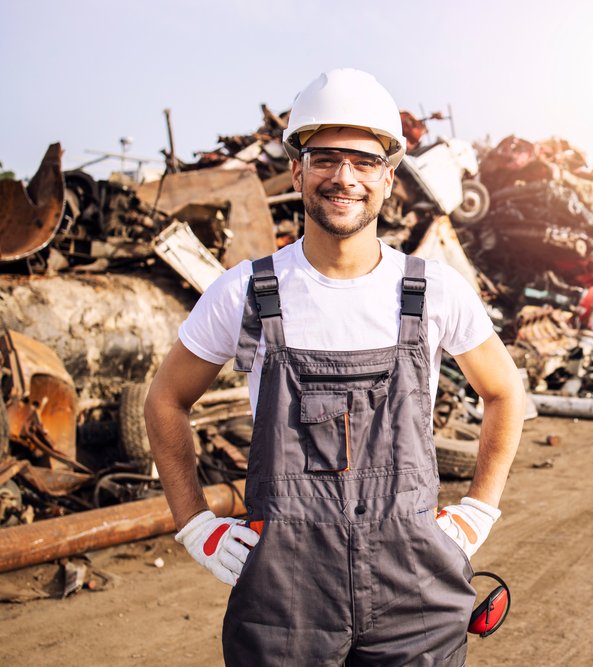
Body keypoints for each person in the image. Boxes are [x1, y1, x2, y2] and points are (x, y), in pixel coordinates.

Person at [145, 68, 525, 666]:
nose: (343, 177)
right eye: (325, 158)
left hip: (415, 594)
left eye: (364, 160)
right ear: (296, 169)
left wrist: (478, 509)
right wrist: (194, 524)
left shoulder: (431, 291)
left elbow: (505, 392)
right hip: (284, 599)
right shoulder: (244, 291)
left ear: (388, 177)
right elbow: (164, 400)